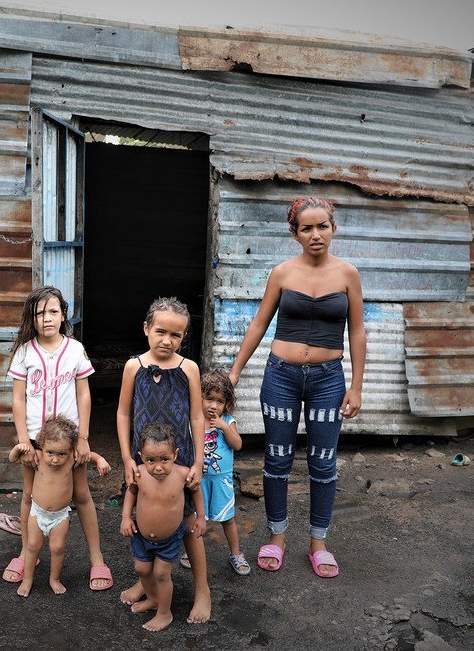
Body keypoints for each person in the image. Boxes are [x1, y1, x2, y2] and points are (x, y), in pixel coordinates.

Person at [228, 196, 365, 578]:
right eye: (307, 228)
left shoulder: (348, 274)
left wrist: (356, 386)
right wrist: (235, 371)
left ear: (333, 229)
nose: (316, 234)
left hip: (327, 380)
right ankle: (277, 537)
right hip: (281, 376)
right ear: (295, 233)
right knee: (277, 458)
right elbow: (258, 323)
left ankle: (318, 543)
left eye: (323, 226)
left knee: (323, 462)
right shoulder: (282, 273)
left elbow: (356, 330)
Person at [2, 286, 113, 591]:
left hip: (70, 441)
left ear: (63, 314)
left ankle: (97, 559)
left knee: (81, 494)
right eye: (39, 313)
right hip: (37, 443)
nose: (46, 318)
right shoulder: (25, 352)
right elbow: (19, 399)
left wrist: (85, 438)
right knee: (29, 495)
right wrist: (24, 440)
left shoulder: (75, 350)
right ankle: (27, 552)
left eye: (53, 311)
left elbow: (83, 393)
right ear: (32, 318)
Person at [116, 297, 210, 623]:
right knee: (145, 513)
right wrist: (127, 458)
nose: (167, 341)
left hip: (178, 457)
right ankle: (147, 582)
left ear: (184, 338)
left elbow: (197, 416)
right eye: (160, 331)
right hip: (142, 458)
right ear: (146, 329)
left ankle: (202, 590)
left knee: (185, 522)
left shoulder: (189, 369)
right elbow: (123, 412)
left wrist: (197, 461)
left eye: (176, 335)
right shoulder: (133, 367)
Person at [8, 415, 112, 597]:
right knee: (32, 546)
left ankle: (54, 579)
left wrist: (101, 460)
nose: (55, 459)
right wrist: (18, 449)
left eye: (61, 454)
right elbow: (12, 459)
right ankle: (28, 580)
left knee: (58, 548)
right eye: (51, 453)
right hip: (37, 513)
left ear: (70, 450)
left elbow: (91, 456)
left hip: (59, 516)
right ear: (42, 445)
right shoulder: (37, 457)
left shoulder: (72, 459)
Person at [120, 421, 205, 632]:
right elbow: (131, 492)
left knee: (160, 573)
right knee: (141, 568)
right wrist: (125, 518)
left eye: (164, 460)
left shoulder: (182, 473)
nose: (158, 467)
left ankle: (164, 613)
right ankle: (153, 598)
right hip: (141, 534)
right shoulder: (139, 473)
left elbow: (196, 491)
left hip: (169, 537)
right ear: (140, 456)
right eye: (151, 460)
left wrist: (201, 517)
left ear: (175, 455)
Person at [183, 371, 249, 575]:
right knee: (194, 518)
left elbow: (237, 445)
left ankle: (236, 553)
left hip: (221, 480)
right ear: (199, 397)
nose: (214, 405)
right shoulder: (192, 421)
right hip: (198, 480)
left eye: (220, 401)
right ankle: (191, 552)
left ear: (226, 404)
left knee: (227, 518)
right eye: (209, 398)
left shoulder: (227, 421)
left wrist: (224, 428)